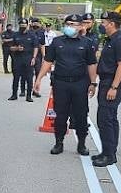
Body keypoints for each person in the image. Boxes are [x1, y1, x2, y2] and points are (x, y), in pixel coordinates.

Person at [33, 14, 98, 156]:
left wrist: (93, 83)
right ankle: (59, 143)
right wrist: (38, 79)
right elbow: (48, 61)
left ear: (81, 26)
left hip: (80, 84)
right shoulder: (57, 42)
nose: (69, 27)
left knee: (81, 115)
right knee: (60, 115)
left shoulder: (86, 43)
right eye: (67, 24)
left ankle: (81, 144)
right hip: (61, 83)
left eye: (73, 24)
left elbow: (91, 64)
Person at [93, 11, 121, 167]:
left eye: (104, 22)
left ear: (111, 24)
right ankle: (108, 152)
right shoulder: (110, 40)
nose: (101, 25)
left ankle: (109, 155)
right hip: (105, 82)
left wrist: (114, 87)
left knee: (106, 119)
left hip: (113, 83)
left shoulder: (120, 41)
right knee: (108, 118)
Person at [7, 19, 38, 102]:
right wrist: (17, 48)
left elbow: (36, 47)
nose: (22, 27)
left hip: (28, 59)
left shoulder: (32, 35)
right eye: (21, 26)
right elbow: (10, 47)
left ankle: (28, 96)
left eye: (24, 26)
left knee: (29, 78)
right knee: (16, 77)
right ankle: (14, 95)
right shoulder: (15, 35)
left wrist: (34, 58)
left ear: (27, 25)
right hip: (17, 59)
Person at [30, 18, 46, 97]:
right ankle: (25, 89)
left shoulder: (41, 33)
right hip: (28, 55)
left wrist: (44, 57)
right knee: (28, 73)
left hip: (38, 56)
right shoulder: (28, 32)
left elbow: (42, 45)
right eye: (34, 23)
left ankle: (35, 89)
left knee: (38, 73)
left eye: (37, 23)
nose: (35, 24)